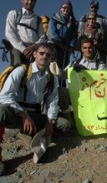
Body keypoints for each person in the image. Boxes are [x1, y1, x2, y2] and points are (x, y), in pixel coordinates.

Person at [0, 43, 71, 175]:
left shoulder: (51, 78)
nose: (45, 56)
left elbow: (53, 102)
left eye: (48, 55)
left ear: (51, 58)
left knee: (64, 125)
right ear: (35, 54)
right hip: (17, 113)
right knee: (1, 111)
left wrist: (50, 122)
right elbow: (4, 96)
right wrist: (23, 114)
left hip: (35, 116)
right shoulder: (21, 71)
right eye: (42, 53)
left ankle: (30, 133)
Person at [5, 0, 45, 65]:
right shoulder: (13, 14)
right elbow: (10, 34)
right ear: (22, 0)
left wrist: (34, 46)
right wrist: (23, 49)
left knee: (37, 72)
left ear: (35, 1)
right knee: (17, 70)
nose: (30, 2)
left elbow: (42, 36)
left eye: (32, 0)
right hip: (17, 47)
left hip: (34, 48)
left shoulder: (38, 19)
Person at [47, 0, 78, 71]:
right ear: (60, 8)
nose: (66, 9)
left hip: (66, 49)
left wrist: (71, 46)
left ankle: (63, 81)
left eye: (68, 8)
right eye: (64, 7)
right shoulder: (54, 19)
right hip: (55, 46)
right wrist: (59, 43)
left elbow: (74, 35)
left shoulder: (73, 22)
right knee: (54, 67)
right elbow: (52, 33)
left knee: (64, 67)